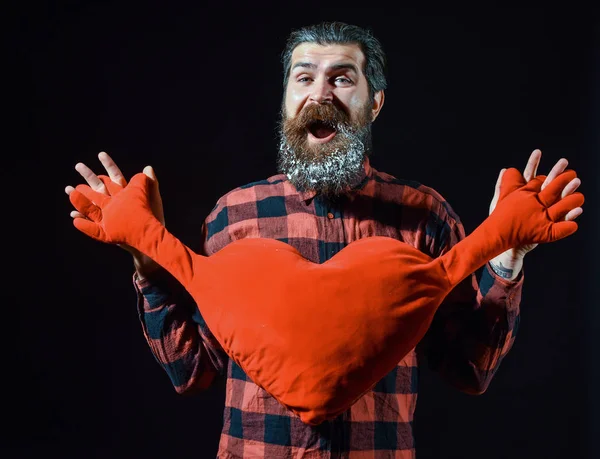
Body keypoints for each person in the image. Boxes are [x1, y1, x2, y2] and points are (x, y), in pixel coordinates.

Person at [65, 21, 582, 458]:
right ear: (288, 100)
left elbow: (471, 369)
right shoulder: (232, 216)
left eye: (341, 78)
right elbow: (193, 370)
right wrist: (145, 260)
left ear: (374, 103)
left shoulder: (426, 216)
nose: (320, 94)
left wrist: (507, 258)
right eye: (304, 78)